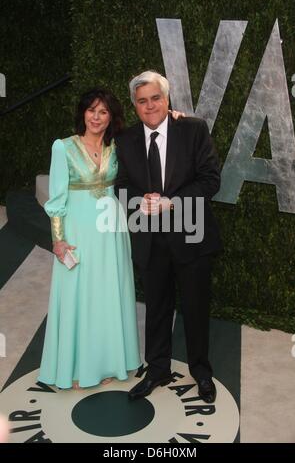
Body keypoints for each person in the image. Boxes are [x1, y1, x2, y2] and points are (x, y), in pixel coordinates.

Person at [115, 70, 222, 403]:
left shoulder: (192, 130)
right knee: (157, 309)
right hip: (150, 241)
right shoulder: (125, 140)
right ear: (135, 106)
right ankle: (157, 369)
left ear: (167, 99)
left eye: (156, 98)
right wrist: (138, 201)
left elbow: (210, 180)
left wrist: (171, 202)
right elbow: (120, 186)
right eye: (142, 101)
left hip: (191, 237)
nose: (150, 107)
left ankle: (201, 373)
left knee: (195, 308)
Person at [38, 88, 141, 389]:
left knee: (110, 294)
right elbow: (56, 198)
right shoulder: (64, 147)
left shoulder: (118, 146)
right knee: (79, 296)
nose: (96, 117)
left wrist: (175, 117)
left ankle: (110, 362)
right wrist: (58, 239)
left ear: (112, 117)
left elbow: (148, 132)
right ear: (82, 113)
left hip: (112, 232)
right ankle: (77, 366)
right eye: (91, 110)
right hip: (78, 231)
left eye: (104, 111)